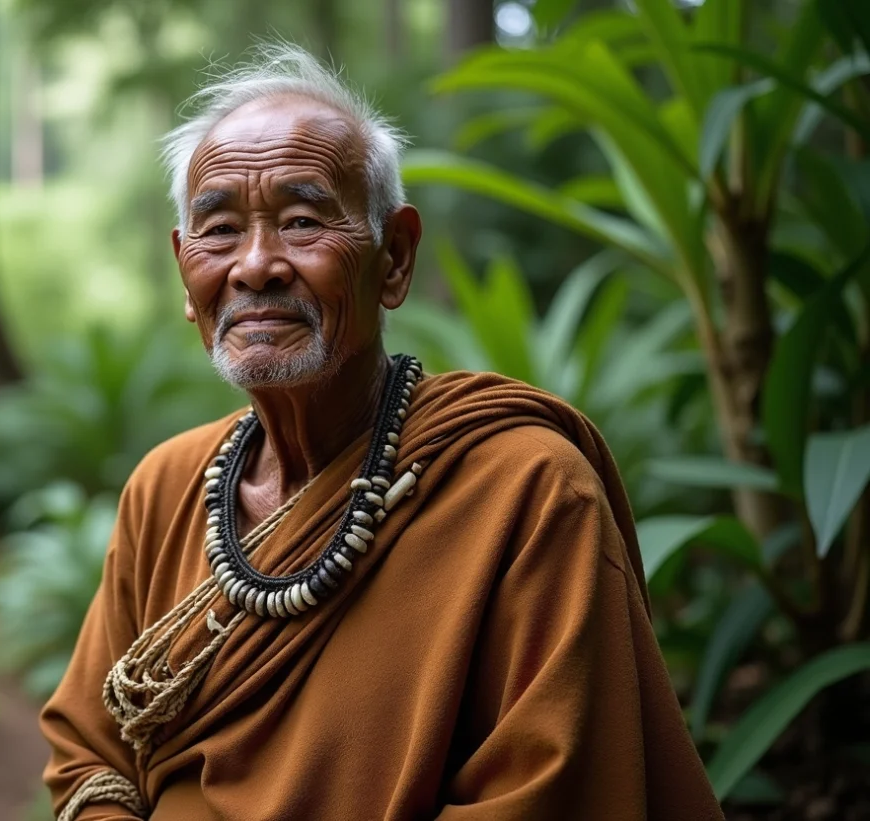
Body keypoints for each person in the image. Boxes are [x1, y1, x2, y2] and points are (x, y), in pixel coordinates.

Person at [39, 43, 724, 821]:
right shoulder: (167, 486)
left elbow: (546, 790)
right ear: (186, 276)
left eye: (302, 221)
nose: (256, 265)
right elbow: (90, 753)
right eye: (220, 229)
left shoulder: (526, 489)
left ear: (393, 258)